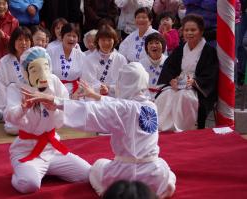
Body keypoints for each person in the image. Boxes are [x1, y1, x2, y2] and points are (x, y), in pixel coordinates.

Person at [24, 62, 176, 198]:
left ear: (125, 83)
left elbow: (90, 110)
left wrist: (53, 100)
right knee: (168, 173)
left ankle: (107, 192)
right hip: (153, 170)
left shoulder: (122, 108)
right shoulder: (151, 106)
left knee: (97, 166)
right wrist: (95, 95)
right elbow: (118, 104)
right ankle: (161, 190)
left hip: (126, 172)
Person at [4, 46, 91, 194]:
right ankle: (22, 172)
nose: (41, 73)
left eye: (45, 67)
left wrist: (54, 107)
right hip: (27, 150)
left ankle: (47, 170)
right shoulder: (17, 88)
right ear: (25, 72)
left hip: (52, 148)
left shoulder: (55, 82)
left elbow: (64, 115)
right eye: (34, 69)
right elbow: (10, 117)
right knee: (29, 185)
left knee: (88, 174)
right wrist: (23, 108)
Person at [155, 14, 219, 131]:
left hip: (197, 87)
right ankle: (162, 128)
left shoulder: (209, 51)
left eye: (193, 30)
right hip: (179, 82)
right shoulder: (180, 49)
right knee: (166, 95)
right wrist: (171, 80)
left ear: (201, 31)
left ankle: (185, 128)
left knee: (184, 96)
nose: (189, 33)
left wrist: (194, 82)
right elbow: (169, 67)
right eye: (186, 30)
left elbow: (211, 74)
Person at [0, 26, 33, 134]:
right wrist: (1, 109)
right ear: (13, 42)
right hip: (13, 102)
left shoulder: (36, 60)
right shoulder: (4, 61)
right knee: (12, 129)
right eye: (19, 39)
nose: (23, 43)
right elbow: (1, 86)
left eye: (27, 39)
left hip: (32, 100)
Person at [82, 25, 127, 97]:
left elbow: (124, 81)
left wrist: (109, 88)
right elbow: (88, 81)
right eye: (103, 40)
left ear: (114, 40)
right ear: (97, 41)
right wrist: (100, 88)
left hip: (115, 97)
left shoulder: (121, 59)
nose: (106, 43)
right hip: (95, 96)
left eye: (109, 40)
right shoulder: (89, 59)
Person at [47, 23, 85, 98]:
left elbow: (84, 80)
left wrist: (76, 94)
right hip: (54, 92)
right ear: (62, 36)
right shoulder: (50, 52)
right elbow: (47, 75)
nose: (71, 39)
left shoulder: (82, 56)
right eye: (68, 35)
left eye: (74, 36)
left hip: (75, 93)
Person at [139, 32, 167, 101]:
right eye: (151, 43)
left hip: (165, 97)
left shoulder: (168, 61)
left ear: (163, 46)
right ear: (147, 48)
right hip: (144, 97)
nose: (154, 46)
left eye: (157, 43)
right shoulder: (140, 64)